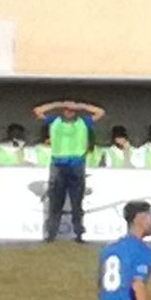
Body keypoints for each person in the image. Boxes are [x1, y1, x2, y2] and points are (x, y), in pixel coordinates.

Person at [35, 98, 102, 241]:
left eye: (72, 110)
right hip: (58, 164)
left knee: (77, 202)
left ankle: (78, 233)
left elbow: (100, 112)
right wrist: (58, 104)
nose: (69, 112)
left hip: (77, 164)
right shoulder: (54, 120)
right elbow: (37, 111)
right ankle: (51, 234)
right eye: (66, 109)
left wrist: (80, 106)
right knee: (55, 201)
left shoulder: (83, 121)